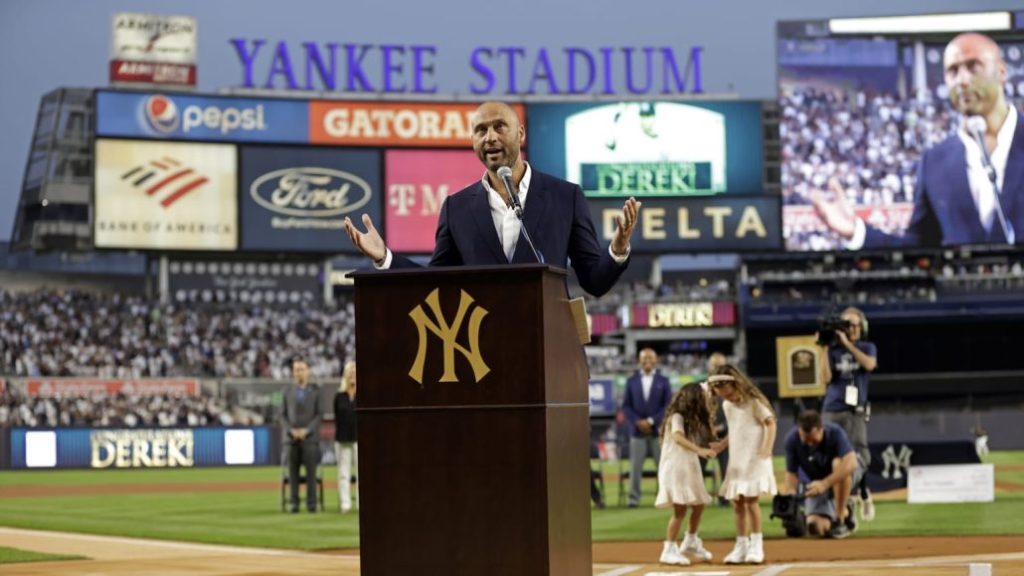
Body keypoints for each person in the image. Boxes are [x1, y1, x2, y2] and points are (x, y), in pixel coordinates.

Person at [343, 101, 642, 298]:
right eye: (480, 130)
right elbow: (434, 282)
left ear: (520, 133)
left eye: (500, 126)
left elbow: (595, 282)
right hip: (482, 361)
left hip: (552, 355)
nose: (490, 137)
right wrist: (386, 258)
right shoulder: (456, 208)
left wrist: (617, 249)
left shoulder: (566, 197)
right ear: (473, 141)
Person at [812, 32, 1024, 248]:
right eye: (953, 71)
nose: (962, 79)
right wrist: (856, 232)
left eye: (973, 66)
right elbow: (919, 247)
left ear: (1001, 71)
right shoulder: (935, 162)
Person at [708, 364, 777, 565]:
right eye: (721, 395)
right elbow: (736, 429)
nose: (725, 398)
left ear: (735, 384)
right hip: (737, 457)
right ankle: (741, 545)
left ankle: (757, 545)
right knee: (737, 502)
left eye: (726, 393)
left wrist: (767, 447)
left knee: (750, 501)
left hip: (755, 456)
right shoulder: (728, 406)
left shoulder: (754, 402)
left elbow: (770, 422)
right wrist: (722, 444)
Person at [818, 306, 877, 522]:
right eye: (846, 325)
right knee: (831, 457)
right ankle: (843, 498)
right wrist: (823, 347)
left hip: (855, 411)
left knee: (860, 455)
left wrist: (848, 345)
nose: (850, 328)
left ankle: (859, 490)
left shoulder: (867, 347)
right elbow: (825, 378)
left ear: (862, 327)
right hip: (832, 409)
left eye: (853, 324)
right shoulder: (832, 350)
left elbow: (870, 365)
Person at [654, 383, 716, 566]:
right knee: (680, 510)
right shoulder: (677, 416)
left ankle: (690, 540)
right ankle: (668, 548)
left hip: (688, 465)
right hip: (676, 466)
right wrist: (700, 450)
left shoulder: (691, 418)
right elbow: (678, 437)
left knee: (699, 504)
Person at [782, 410, 860, 539]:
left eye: (812, 440)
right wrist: (791, 499)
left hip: (842, 478)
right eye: (805, 439)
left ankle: (839, 520)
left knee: (837, 463)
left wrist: (825, 484)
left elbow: (852, 463)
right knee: (814, 526)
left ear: (821, 429)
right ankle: (847, 511)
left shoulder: (835, 432)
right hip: (817, 483)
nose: (809, 443)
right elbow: (791, 473)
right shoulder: (792, 440)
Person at [622, 348, 672, 507]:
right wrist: (638, 422)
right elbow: (626, 406)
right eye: (644, 358)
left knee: (662, 467)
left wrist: (651, 421)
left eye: (651, 357)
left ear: (656, 360)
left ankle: (664, 497)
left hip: (657, 431)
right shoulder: (631, 381)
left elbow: (668, 406)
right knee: (635, 468)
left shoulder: (664, 381)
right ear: (639, 360)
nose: (647, 360)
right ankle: (633, 499)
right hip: (637, 432)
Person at [282, 357, 323, 513]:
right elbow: (282, 415)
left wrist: (307, 431)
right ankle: (294, 503)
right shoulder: (287, 392)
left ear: (308, 371)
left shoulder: (316, 391)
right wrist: (291, 431)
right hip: (291, 440)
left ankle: (312, 504)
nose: (299, 372)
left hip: (310, 440)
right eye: (296, 370)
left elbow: (319, 415)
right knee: (293, 472)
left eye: (302, 369)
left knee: (311, 473)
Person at [334, 361, 358, 513]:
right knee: (343, 474)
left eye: (355, 372)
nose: (352, 375)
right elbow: (337, 417)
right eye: (350, 372)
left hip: (360, 439)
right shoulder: (339, 396)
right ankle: (345, 503)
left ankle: (362, 503)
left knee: (362, 473)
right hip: (343, 439)